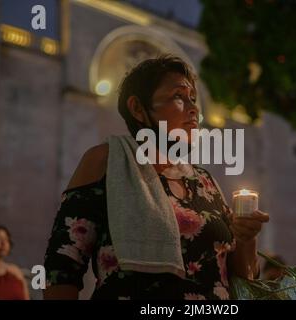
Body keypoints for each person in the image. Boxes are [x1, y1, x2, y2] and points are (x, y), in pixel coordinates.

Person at [43, 55, 269, 300]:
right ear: (138, 108)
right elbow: (62, 268)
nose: (194, 108)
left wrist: (246, 238)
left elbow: (243, 279)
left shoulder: (205, 182)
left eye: (193, 98)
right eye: (178, 97)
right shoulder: (105, 162)